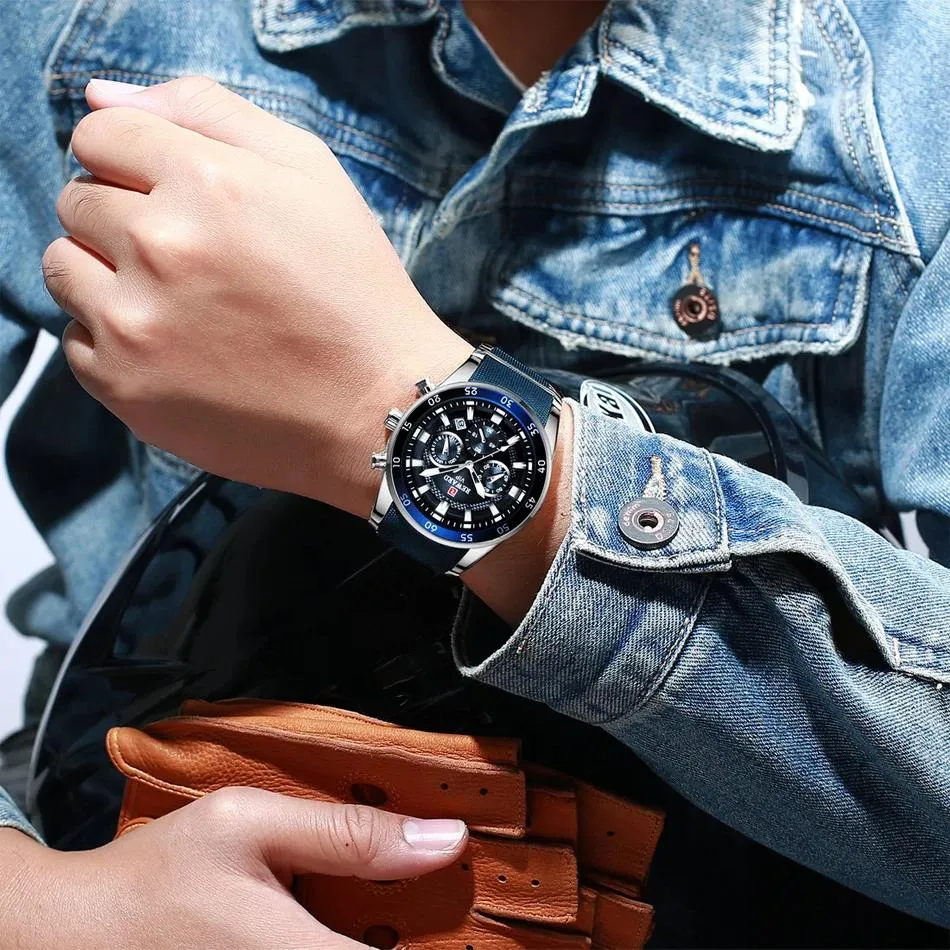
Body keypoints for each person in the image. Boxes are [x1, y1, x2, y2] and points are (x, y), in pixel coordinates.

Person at [0, 0, 948, 942]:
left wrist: (389, 405)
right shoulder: (75, 26)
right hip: (125, 816)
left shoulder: (918, 87)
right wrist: (50, 906)